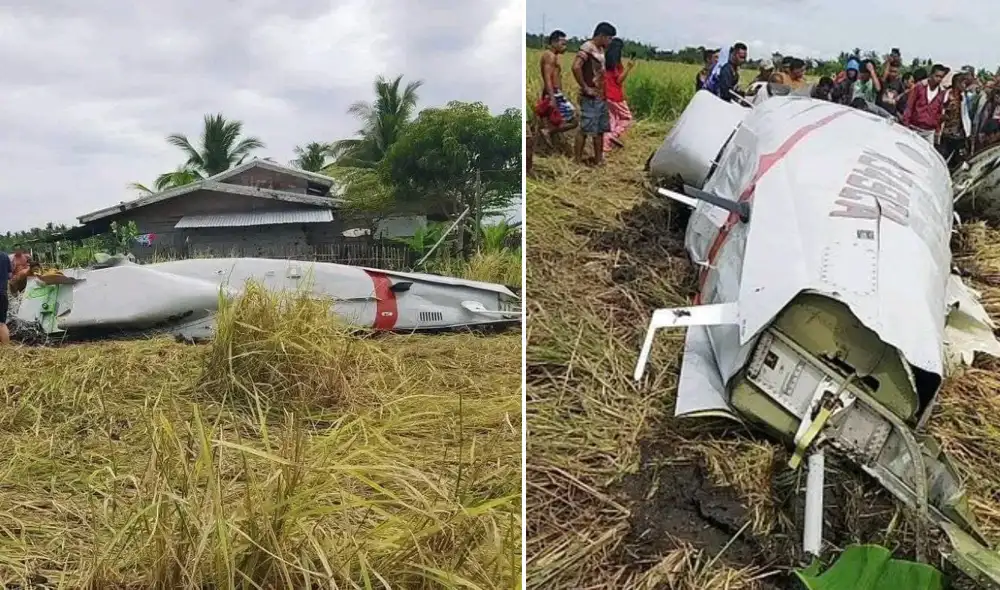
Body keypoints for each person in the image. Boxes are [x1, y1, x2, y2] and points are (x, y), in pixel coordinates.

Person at [572, 22, 616, 165]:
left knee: (600, 129)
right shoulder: (587, 48)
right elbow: (576, 67)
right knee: (585, 128)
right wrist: (585, 87)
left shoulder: (601, 49)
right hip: (590, 96)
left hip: (601, 95)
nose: (610, 41)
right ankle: (577, 161)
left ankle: (598, 160)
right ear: (601, 35)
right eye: (609, 38)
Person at [535, 30, 578, 146]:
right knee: (574, 119)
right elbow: (548, 78)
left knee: (555, 119)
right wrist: (552, 98)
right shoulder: (550, 56)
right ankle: (548, 131)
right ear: (554, 42)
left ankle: (550, 136)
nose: (565, 47)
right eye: (562, 44)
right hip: (554, 93)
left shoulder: (552, 56)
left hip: (553, 93)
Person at [903, 64, 949, 145]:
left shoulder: (942, 92)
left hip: (929, 132)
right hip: (914, 128)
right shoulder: (919, 87)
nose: (938, 79)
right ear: (931, 75)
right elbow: (909, 106)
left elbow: (939, 111)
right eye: (937, 76)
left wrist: (937, 130)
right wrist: (906, 125)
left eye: (941, 77)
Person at [602, 38, 634, 152]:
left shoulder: (605, 61)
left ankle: (605, 146)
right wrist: (629, 68)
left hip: (606, 94)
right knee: (627, 118)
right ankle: (612, 136)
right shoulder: (616, 63)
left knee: (612, 120)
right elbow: (619, 80)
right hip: (616, 96)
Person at [939, 73, 969, 167]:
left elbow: (964, 115)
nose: (965, 86)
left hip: (958, 135)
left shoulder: (962, 97)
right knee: (943, 157)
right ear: (958, 83)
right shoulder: (947, 95)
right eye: (964, 83)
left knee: (956, 160)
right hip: (946, 133)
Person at [0, 249, 9, 345]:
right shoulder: (4, 256)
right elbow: (10, 274)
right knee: (1, 323)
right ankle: (7, 352)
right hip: (2, 293)